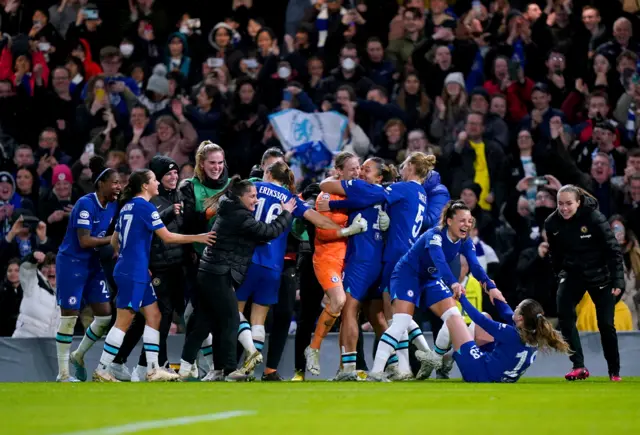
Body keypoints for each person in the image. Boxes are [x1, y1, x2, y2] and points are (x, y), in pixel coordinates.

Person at [93, 169, 215, 382]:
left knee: (154, 315)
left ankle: (152, 369)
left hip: (132, 268)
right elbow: (167, 237)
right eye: (154, 179)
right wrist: (199, 237)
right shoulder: (146, 207)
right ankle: (102, 369)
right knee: (124, 320)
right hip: (134, 271)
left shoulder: (126, 207)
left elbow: (115, 241)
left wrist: (131, 256)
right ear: (144, 186)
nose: (157, 182)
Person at [367, 200, 504, 381]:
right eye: (462, 220)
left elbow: (476, 267)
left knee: (454, 317)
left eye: (469, 221)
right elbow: (439, 261)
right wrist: (453, 283)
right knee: (400, 324)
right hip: (408, 275)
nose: (467, 225)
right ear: (449, 221)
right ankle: (376, 373)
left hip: (430, 279)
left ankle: (434, 358)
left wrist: (491, 287)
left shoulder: (465, 242)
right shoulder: (435, 236)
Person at [178, 176, 298, 382]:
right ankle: (230, 369)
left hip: (211, 270)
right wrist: (286, 212)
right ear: (241, 197)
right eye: (252, 196)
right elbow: (269, 232)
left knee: (203, 322)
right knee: (231, 318)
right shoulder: (240, 216)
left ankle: (185, 367)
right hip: (219, 272)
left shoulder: (231, 208)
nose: (256, 200)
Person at [234, 160, 342, 380]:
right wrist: (344, 229)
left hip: (247, 259)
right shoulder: (291, 199)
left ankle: (249, 355)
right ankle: (250, 366)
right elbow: (318, 220)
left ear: (267, 173)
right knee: (258, 319)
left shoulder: (253, 189)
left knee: (234, 312)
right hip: (274, 265)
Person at [545, 185, 625, 381]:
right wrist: (560, 274)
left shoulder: (594, 218)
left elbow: (613, 250)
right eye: (560, 204)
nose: (564, 208)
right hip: (573, 274)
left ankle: (614, 371)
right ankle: (578, 366)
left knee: (606, 324)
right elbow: (554, 253)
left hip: (600, 275)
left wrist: (618, 280)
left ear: (578, 202)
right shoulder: (552, 223)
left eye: (568, 204)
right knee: (565, 315)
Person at [54, 156, 121, 382]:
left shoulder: (111, 206)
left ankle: (78, 355)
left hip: (92, 264)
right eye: (114, 182)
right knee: (70, 317)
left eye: (120, 182)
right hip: (72, 262)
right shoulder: (85, 203)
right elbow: (84, 241)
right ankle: (63, 374)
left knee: (104, 315)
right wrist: (112, 239)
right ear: (101, 184)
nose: (118, 187)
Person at [303, 152, 369, 377]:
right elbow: (322, 232)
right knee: (339, 301)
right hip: (327, 258)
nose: (357, 172)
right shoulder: (325, 196)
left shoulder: (355, 191)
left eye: (359, 168)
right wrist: (347, 231)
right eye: (352, 168)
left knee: (347, 309)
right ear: (339, 171)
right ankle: (313, 348)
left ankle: (346, 368)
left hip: (348, 260)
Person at [422, 295, 569, 383]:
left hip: (479, 372)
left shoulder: (511, 335)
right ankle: (449, 357)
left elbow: (480, 321)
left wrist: (462, 299)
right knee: (486, 314)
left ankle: (438, 358)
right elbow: (506, 312)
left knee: (454, 317)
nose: (514, 308)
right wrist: (492, 290)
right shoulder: (533, 336)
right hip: (496, 374)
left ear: (520, 318)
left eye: (517, 308)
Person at [12, 251, 59, 339]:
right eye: (47, 266)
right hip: (23, 343)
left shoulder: (64, 297)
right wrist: (33, 257)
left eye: (55, 267)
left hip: (47, 348)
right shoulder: (32, 284)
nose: (51, 270)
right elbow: (26, 269)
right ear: (40, 270)